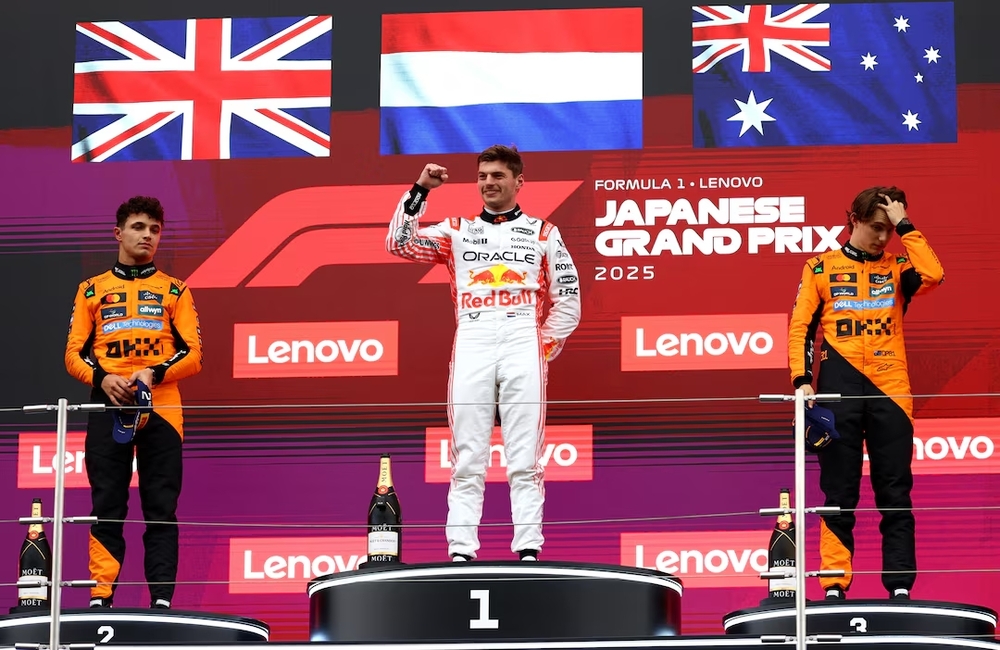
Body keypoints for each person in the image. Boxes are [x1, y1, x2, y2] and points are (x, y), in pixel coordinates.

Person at [386, 145, 581, 561]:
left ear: (518, 182)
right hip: (472, 339)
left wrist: (540, 348)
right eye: (482, 176)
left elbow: (569, 301)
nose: (488, 183)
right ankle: (461, 550)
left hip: (523, 340)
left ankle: (528, 549)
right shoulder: (457, 230)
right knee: (467, 457)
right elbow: (399, 244)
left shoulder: (544, 232)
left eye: (497, 176)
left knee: (525, 458)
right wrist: (421, 189)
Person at [788, 186, 944, 601]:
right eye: (876, 227)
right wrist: (801, 380)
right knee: (838, 493)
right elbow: (801, 327)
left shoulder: (899, 267)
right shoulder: (820, 268)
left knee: (895, 491)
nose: (882, 237)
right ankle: (834, 586)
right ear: (854, 219)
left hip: (891, 391)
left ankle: (900, 587)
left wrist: (905, 225)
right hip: (837, 392)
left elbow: (934, 275)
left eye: (888, 229)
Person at [65, 196, 203, 609]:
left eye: (155, 230)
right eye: (139, 227)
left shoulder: (175, 290)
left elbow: (194, 354)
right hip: (107, 405)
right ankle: (100, 596)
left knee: (161, 506)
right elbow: (73, 354)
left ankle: (161, 600)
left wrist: (153, 373)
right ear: (118, 233)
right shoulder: (91, 289)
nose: (147, 236)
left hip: (162, 408)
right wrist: (103, 379)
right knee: (107, 503)